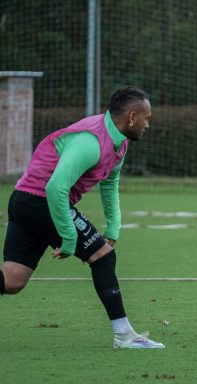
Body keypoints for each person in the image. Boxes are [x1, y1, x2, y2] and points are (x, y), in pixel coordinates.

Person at [1, 86, 165, 349]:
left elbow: (110, 184)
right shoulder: (91, 142)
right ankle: (124, 335)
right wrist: (68, 236)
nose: (148, 124)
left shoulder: (119, 142)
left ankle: (125, 336)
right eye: (147, 118)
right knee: (103, 256)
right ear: (132, 117)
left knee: (11, 281)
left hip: (25, 201)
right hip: (38, 201)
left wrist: (114, 226)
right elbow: (56, 188)